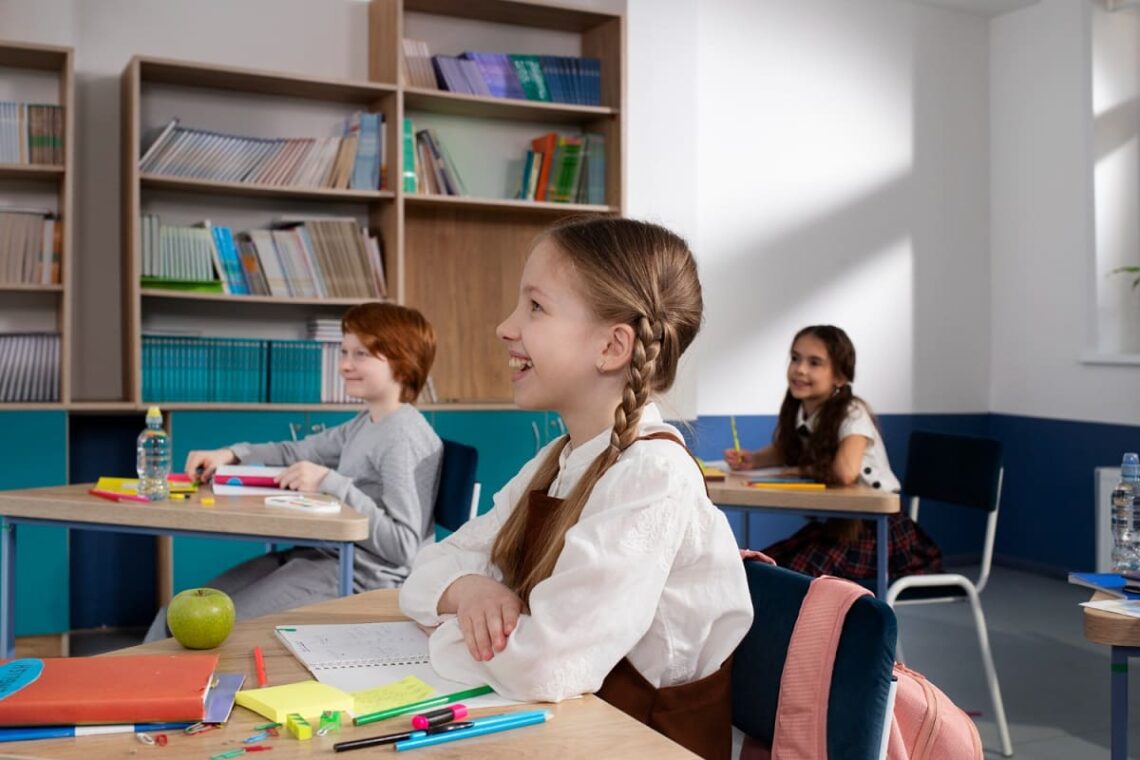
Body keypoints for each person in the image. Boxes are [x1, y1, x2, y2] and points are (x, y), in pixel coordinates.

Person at [399, 217, 752, 760]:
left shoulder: (653, 477)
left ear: (612, 346)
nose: (505, 327)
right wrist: (469, 593)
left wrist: (447, 630)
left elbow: (544, 665)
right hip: (558, 736)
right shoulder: (558, 459)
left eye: (535, 307)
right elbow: (423, 574)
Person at [144, 302, 443, 642]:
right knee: (176, 615)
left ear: (402, 364)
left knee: (211, 628)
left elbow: (404, 546)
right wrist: (230, 454)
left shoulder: (403, 435)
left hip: (362, 576)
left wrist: (330, 481)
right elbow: (295, 452)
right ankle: (142, 688)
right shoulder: (368, 422)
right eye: (344, 352)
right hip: (321, 556)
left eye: (361, 355)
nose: (345, 365)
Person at [723, 324, 941, 579]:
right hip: (839, 525)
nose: (800, 369)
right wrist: (755, 459)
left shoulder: (852, 413)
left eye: (814, 363)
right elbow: (788, 447)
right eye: (795, 358)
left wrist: (797, 471)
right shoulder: (803, 411)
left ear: (839, 377)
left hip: (879, 530)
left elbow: (845, 473)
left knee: (797, 575)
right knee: (765, 566)